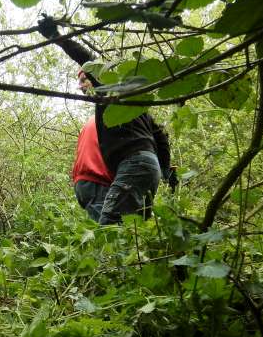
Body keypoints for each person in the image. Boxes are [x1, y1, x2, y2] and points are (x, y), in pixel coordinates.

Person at [38, 16, 175, 224]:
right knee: (133, 231)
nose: (82, 86)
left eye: (85, 79)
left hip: (134, 164)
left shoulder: (110, 89)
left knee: (111, 223)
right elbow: (161, 136)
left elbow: (85, 58)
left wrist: (55, 36)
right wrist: (164, 170)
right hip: (148, 167)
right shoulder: (137, 106)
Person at [73, 112, 113, 222]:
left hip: (82, 181)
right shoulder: (113, 120)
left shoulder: (91, 121)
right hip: (98, 180)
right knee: (109, 231)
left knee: (101, 227)